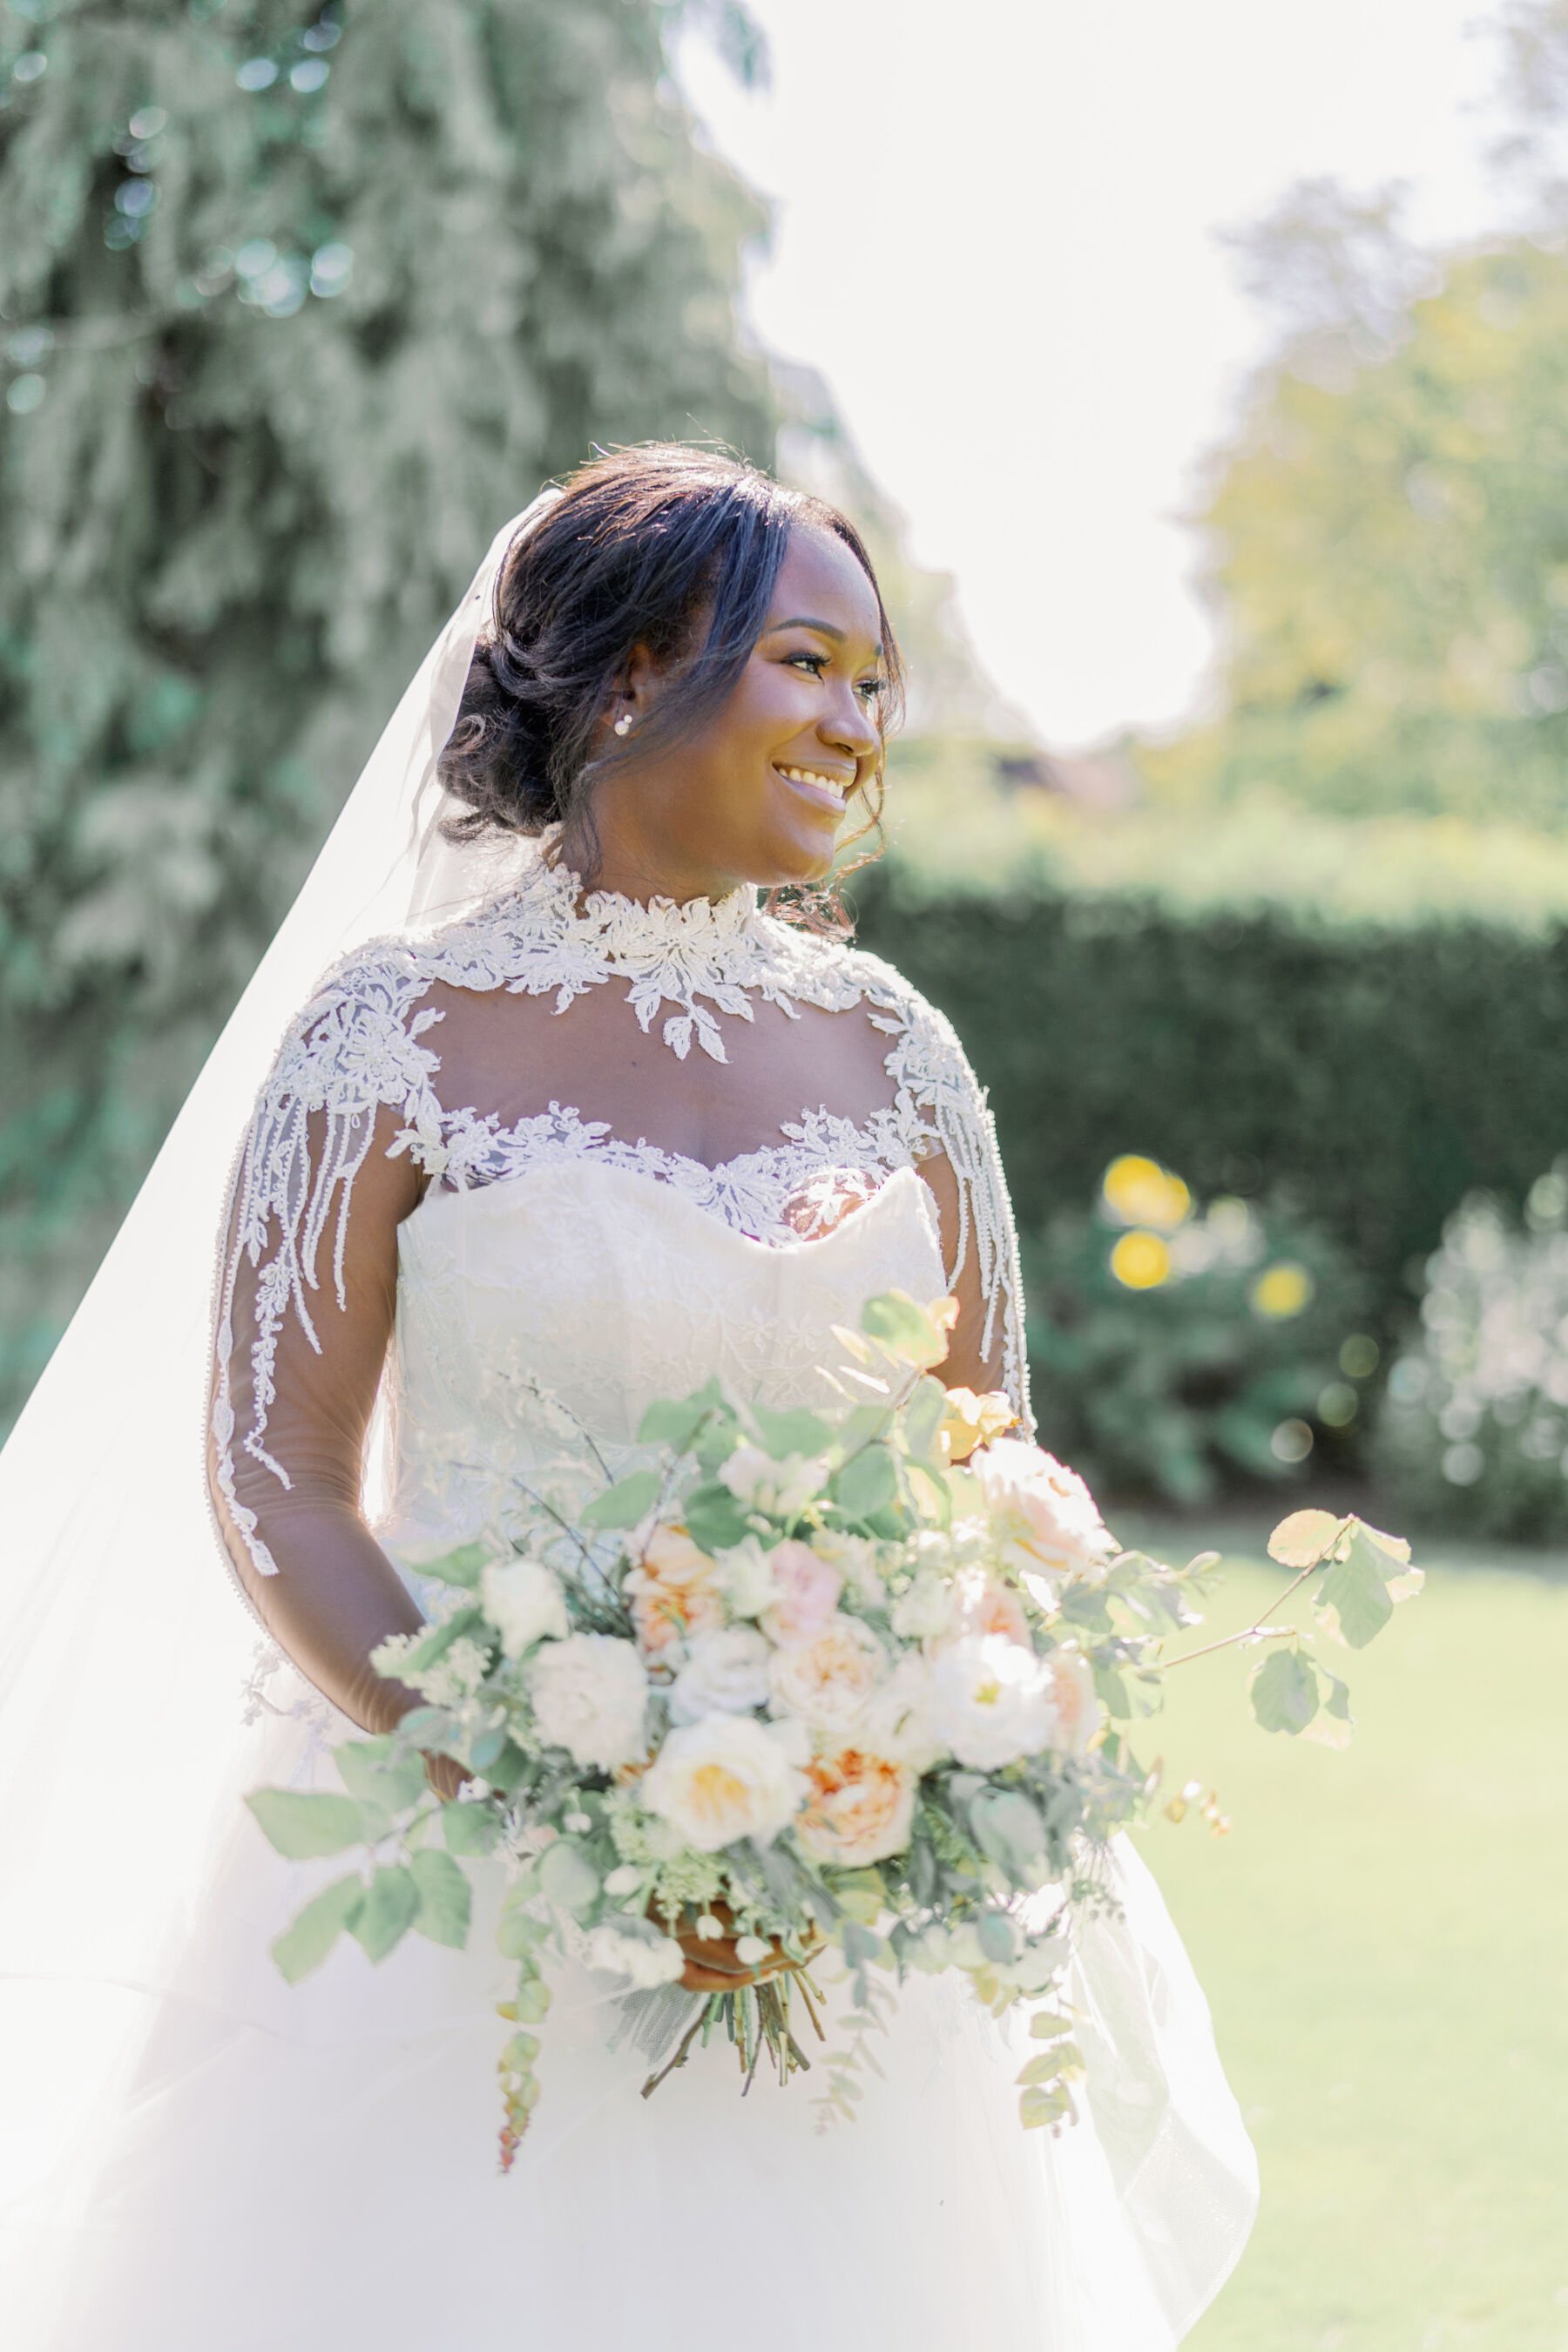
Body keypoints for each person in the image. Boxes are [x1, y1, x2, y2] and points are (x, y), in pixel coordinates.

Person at [0, 447, 1256, 2349]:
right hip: (443, 1893)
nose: (856, 722)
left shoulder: (899, 1051)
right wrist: (543, 1791)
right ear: (630, 670)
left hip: (842, 1906)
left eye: (873, 682)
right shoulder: (390, 1034)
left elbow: (984, 1457)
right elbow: (281, 1475)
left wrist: (901, 1756)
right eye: (808, 663)